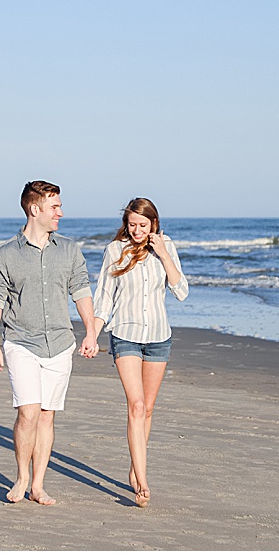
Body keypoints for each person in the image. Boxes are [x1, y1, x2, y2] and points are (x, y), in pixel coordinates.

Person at [0, 180, 99, 505]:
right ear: (35, 210)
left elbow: (81, 291)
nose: (60, 212)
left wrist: (90, 331)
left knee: (47, 415)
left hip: (61, 344)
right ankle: (21, 477)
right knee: (28, 413)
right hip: (20, 341)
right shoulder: (6, 254)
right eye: (54, 207)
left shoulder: (69, 250)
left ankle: (38, 484)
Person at [91, 197, 188, 508]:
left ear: (154, 224)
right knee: (135, 405)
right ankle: (142, 480)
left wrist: (162, 253)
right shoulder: (114, 251)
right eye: (132, 224)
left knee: (147, 409)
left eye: (143, 225)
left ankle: (135, 466)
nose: (136, 230)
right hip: (125, 335)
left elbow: (181, 290)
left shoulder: (166, 246)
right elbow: (104, 298)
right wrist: (92, 334)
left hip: (159, 337)